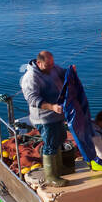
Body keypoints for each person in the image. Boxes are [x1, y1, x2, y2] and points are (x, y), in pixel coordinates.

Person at [21, 50, 70, 186]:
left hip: (57, 115)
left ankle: (59, 168)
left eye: (52, 65)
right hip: (45, 118)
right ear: (39, 63)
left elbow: (62, 72)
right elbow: (32, 99)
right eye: (48, 66)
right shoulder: (31, 77)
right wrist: (52, 107)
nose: (51, 68)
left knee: (60, 138)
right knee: (50, 145)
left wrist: (70, 71)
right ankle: (51, 176)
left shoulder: (52, 68)